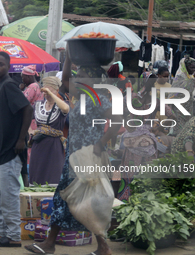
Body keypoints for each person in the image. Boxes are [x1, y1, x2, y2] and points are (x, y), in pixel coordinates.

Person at [25, 48, 120, 255]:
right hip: (75, 154)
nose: (79, 77)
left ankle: (52, 244)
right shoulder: (81, 95)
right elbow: (66, 78)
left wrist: (100, 143)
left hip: (88, 154)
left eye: (84, 74)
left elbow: (118, 121)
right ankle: (101, 247)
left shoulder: (100, 98)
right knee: (75, 197)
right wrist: (68, 55)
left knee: (72, 197)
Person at [0, 51, 33, 247]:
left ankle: (13, 236)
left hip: (11, 151)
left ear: (8, 67)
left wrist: (21, 139)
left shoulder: (9, 85)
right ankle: (1, 231)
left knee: (9, 196)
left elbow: (27, 109)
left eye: (0, 64)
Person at [28, 76, 69, 185]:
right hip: (39, 145)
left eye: (49, 91)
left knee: (53, 177)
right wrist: (30, 131)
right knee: (37, 176)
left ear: (56, 90)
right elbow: (28, 119)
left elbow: (66, 109)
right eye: (44, 91)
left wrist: (51, 94)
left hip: (54, 146)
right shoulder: (38, 105)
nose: (46, 94)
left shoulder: (61, 105)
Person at [21, 65, 43, 187]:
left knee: (29, 151)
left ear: (28, 76)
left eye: (23, 77)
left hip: (30, 122)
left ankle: (29, 180)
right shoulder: (37, 86)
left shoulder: (32, 87)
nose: (22, 79)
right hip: (35, 122)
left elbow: (22, 101)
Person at [170, 57, 195, 135]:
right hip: (179, 109)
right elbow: (172, 94)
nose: (193, 70)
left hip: (188, 108)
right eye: (191, 67)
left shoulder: (192, 78)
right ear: (185, 66)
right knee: (178, 131)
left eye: (194, 67)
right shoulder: (179, 78)